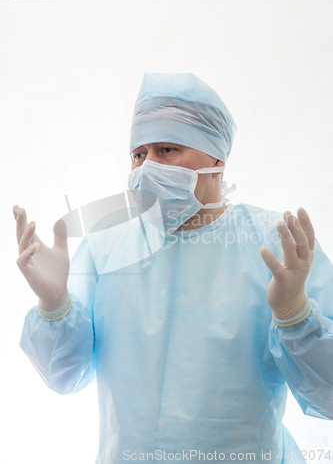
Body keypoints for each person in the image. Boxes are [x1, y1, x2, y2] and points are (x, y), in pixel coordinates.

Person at [15, 73, 333, 464]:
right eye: (139, 154)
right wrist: (54, 307)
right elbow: (64, 377)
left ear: (216, 158)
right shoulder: (108, 243)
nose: (147, 167)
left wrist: (295, 314)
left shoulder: (276, 245)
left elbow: (329, 393)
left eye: (167, 150)